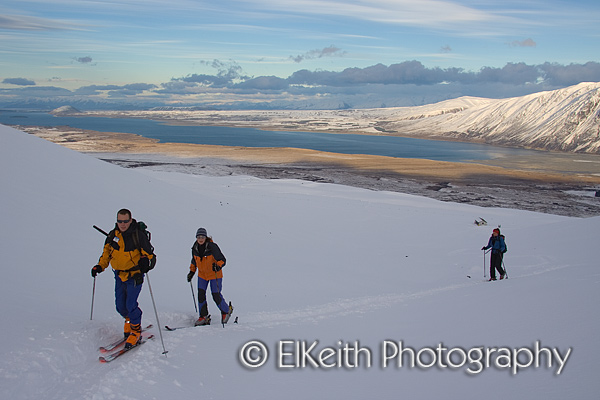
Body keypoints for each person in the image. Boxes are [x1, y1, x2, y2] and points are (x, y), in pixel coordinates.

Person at [91, 209, 156, 348]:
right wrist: (99, 267)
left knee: (130, 304)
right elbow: (106, 254)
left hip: (135, 275)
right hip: (119, 275)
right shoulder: (113, 235)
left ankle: (136, 330)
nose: (123, 224)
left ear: (130, 220)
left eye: (125, 221)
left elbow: (151, 257)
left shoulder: (138, 236)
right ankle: (129, 322)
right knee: (120, 306)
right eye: (120, 221)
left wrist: (146, 264)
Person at [187, 228, 233, 326]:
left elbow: (222, 259)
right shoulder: (195, 248)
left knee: (215, 295)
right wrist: (191, 272)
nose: (200, 239)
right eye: (198, 237)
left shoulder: (212, 247)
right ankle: (203, 316)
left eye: (202, 237)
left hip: (214, 274)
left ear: (206, 237)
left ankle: (226, 311)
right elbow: (194, 261)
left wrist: (218, 265)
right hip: (202, 275)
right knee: (201, 295)